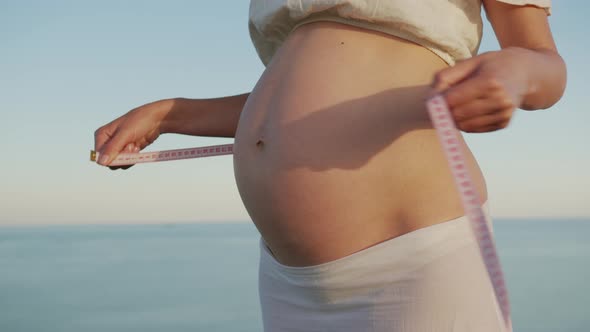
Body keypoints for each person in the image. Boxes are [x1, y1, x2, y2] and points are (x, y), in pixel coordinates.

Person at [94, 1, 566, 331]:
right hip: (286, 280)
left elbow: (546, 64)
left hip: (414, 263)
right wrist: (171, 114)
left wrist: (514, 73)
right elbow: (307, 99)